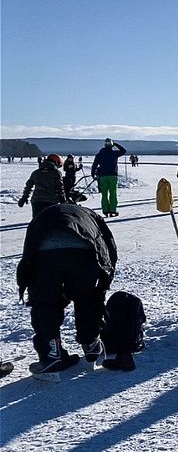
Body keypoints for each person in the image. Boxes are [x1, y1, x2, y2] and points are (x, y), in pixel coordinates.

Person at [16, 203, 121, 373]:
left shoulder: (43, 214)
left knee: (46, 303)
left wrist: (30, 279)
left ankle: (52, 354)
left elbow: (29, 248)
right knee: (88, 297)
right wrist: (105, 276)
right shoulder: (91, 215)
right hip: (83, 252)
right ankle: (91, 343)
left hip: (44, 254)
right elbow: (108, 245)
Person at [19, 154, 66, 218]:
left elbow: (28, 186)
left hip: (37, 201)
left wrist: (24, 198)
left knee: (37, 221)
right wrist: (63, 200)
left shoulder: (36, 172)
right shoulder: (56, 173)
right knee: (49, 223)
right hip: (51, 201)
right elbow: (60, 188)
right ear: (56, 162)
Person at [92, 138, 127, 217]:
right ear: (111, 145)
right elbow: (124, 151)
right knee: (113, 194)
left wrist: (93, 174)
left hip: (103, 177)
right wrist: (116, 144)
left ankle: (105, 211)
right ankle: (112, 210)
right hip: (112, 176)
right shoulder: (114, 153)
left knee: (104, 195)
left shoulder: (99, 154)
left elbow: (94, 165)